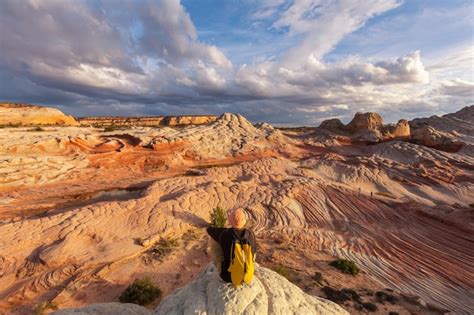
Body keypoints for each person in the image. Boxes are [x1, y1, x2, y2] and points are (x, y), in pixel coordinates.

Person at [206, 208, 257, 284]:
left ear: (230, 221)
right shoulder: (251, 234)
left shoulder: (225, 234)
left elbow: (209, 230)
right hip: (248, 276)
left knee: (213, 240)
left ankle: (222, 265)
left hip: (228, 277)